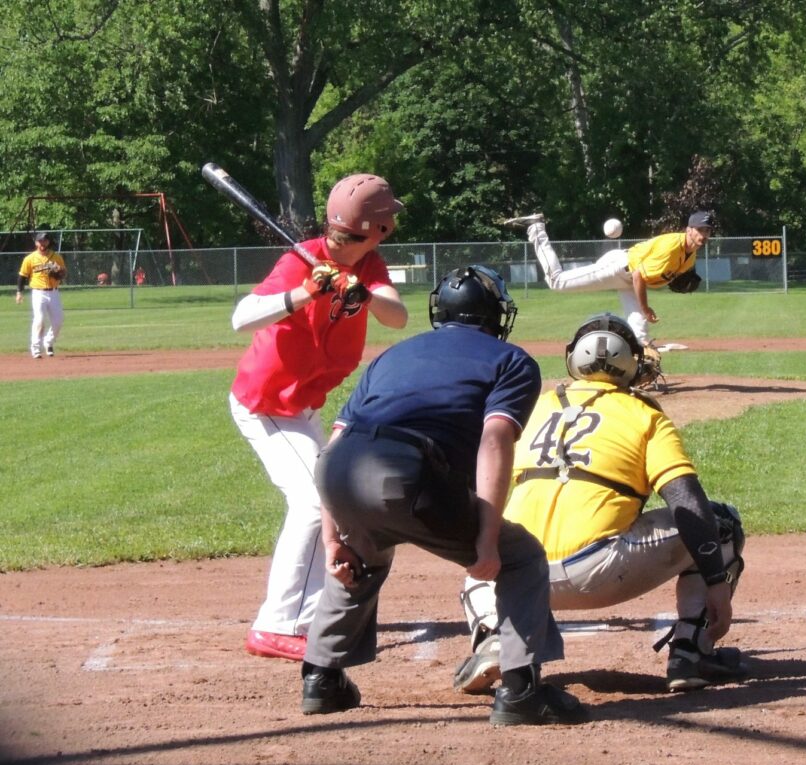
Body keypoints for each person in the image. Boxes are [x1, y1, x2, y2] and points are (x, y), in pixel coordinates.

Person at [302, 265, 588, 727]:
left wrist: (334, 539)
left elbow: (334, 447)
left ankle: (321, 678)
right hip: (409, 473)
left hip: (339, 470)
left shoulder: (392, 356)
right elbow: (495, 441)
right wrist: (488, 542)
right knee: (521, 557)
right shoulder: (510, 360)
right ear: (494, 315)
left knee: (362, 553)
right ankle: (521, 690)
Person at [453, 313, 748, 695]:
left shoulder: (534, 407)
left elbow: (478, 486)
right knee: (721, 521)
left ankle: (494, 637)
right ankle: (692, 651)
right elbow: (685, 501)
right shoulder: (644, 414)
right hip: (601, 569)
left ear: (573, 358)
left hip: (516, 575)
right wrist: (716, 581)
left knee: (485, 537)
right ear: (633, 363)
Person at [230, 173, 409, 662]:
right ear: (379, 226)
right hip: (266, 403)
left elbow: (398, 316)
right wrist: (306, 293)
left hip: (299, 407)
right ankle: (277, 624)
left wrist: (364, 292)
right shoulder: (299, 260)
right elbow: (241, 317)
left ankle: (303, 613)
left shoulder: (368, 263)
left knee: (327, 496)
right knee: (314, 501)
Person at [503, 211, 711, 347]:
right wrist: (646, 308)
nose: (704, 234)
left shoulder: (691, 253)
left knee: (640, 332)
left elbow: (658, 276)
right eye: (700, 229)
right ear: (689, 230)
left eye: (707, 230)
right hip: (619, 269)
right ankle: (536, 228)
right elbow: (639, 276)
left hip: (629, 276)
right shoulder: (672, 246)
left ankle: (640, 372)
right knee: (557, 282)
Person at [15, 232, 66, 359]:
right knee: (39, 319)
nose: (42, 243)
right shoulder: (30, 258)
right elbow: (22, 276)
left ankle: (48, 342)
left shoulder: (56, 257)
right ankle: (35, 347)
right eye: (40, 241)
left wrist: (56, 273)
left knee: (58, 321)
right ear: (36, 243)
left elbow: (63, 274)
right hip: (38, 293)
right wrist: (19, 292)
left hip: (54, 292)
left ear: (48, 242)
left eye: (45, 240)